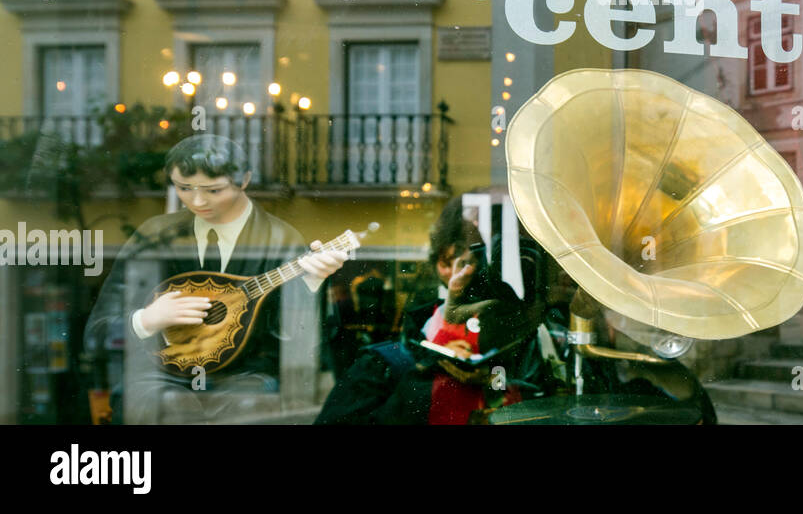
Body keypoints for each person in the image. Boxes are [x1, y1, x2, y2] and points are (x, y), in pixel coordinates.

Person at [83, 134, 348, 423]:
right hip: (161, 377)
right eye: (184, 188)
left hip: (248, 379)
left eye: (214, 190)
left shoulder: (281, 240)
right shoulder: (155, 236)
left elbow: (302, 345)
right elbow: (98, 333)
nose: (197, 201)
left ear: (244, 181)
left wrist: (309, 285)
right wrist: (145, 320)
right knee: (161, 403)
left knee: (247, 405)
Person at [315, 196, 535, 425]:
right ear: (436, 264)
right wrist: (433, 365)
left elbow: (513, 377)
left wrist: (490, 378)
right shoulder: (412, 326)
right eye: (447, 263)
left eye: (465, 263)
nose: (456, 274)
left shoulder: (502, 311)